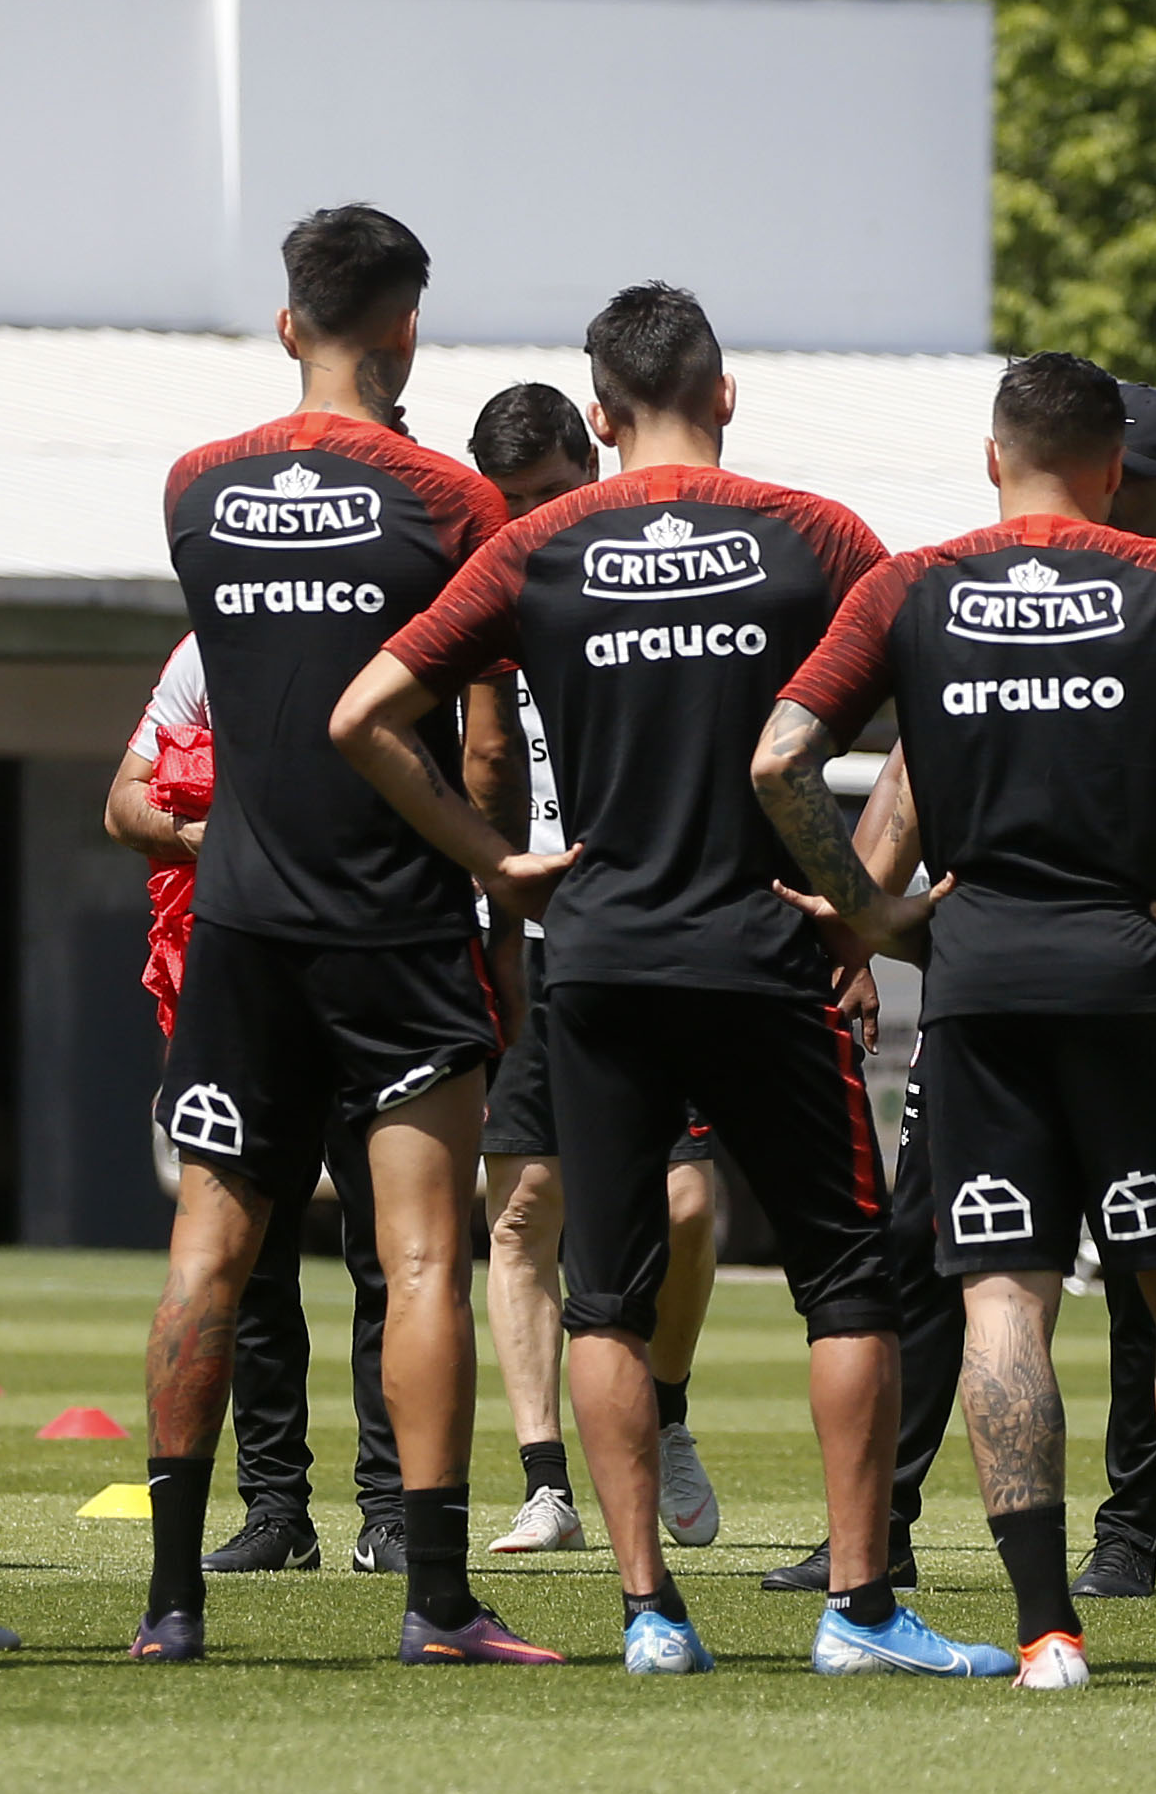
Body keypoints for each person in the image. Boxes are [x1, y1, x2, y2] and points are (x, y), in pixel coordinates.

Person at [354, 281, 956, 1678]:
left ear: (601, 413)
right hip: (766, 956)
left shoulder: (539, 543)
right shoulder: (815, 534)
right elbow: (940, 704)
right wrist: (859, 903)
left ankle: (647, 1614)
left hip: (600, 957)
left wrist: (497, 866)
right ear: (724, 392)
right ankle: (861, 1612)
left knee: (603, 1294)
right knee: (847, 1283)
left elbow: (362, 713)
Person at [761, 351, 1156, 1690]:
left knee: (1000, 1299)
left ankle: (1046, 1631)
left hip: (976, 986)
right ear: (1110, 468)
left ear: (994, 457)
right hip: (1133, 982)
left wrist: (871, 910)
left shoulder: (912, 582)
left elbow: (781, 755)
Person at [137, 209, 535, 1668]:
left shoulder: (195, 486)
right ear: (407, 326)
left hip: (239, 914)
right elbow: (484, 747)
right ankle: (435, 1600)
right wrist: (500, 897)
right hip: (396, 923)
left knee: (207, 1252)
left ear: (287, 320)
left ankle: (170, 1601)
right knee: (422, 1261)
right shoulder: (451, 500)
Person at [839, 379, 1156, 1606]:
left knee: (1108, 1283)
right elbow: (910, 773)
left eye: (1152, 483)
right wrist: (862, 924)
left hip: (1054, 972)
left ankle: (1102, 1561)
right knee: (949, 1254)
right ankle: (887, 1525)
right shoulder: (1116, 596)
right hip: (1071, 972)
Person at [451, 382, 731, 1569]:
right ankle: (544, 1483)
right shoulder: (500, 588)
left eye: (549, 492)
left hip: (663, 925)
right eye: (510, 501)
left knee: (685, 1204)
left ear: (594, 454)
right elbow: (477, 752)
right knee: (519, 1209)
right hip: (536, 933)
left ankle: (660, 1407)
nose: (531, 517)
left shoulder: (652, 574)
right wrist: (491, 911)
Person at [104, 633, 388, 1576]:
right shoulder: (212, 646)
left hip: (372, 971)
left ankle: (393, 1513)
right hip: (239, 982)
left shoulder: (395, 626)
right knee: (250, 1262)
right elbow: (122, 802)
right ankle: (275, 1509)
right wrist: (202, 837)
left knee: (392, 1259)